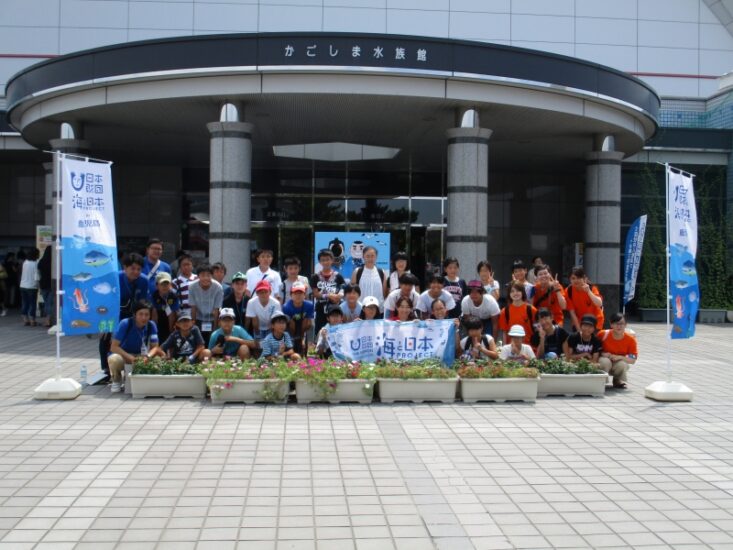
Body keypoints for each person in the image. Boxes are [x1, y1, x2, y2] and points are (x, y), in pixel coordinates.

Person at [100, 252, 150, 374]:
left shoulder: (144, 280)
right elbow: (105, 300)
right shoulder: (115, 278)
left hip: (132, 313)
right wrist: (104, 321)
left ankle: (131, 363)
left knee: (130, 338)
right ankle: (106, 368)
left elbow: (143, 302)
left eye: (139, 269)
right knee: (105, 338)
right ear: (125, 267)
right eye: (132, 268)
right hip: (113, 312)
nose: (136, 272)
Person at [108, 300, 160, 393]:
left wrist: (147, 356)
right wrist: (131, 358)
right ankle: (116, 380)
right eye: (140, 314)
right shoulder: (125, 323)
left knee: (158, 359)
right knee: (114, 359)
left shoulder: (152, 325)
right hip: (124, 355)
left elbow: (155, 347)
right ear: (135, 314)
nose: (144, 317)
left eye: (147, 314)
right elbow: (114, 347)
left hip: (141, 355)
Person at [598, 313, 637, 389]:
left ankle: (617, 380)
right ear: (611, 324)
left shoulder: (630, 340)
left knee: (622, 364)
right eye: (616, 323)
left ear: (626, 325)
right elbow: (594, 349)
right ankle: (601, 381)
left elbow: (632, 359)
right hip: (604, 360)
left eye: (621, 324)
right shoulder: (603, 334)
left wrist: (620, 357)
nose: (619, 326)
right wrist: (602, 353)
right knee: (605, 362)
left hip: (618, 362)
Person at [311, 249, 345, 333]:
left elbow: (343, 289)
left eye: (328, 259)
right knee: (321, 333)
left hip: (335, 310)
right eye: (323, 260)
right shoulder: (315, 277)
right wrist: (328, 295)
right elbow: (315, 294)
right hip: (320, 310)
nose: (326, 262)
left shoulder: (338, 276)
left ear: (332, 260)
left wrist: (339, 296)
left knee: (336, 332)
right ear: (319, 261)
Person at [188, 264, 223, 344]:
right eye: (203, 275)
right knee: (197, 340)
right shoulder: (192, 287)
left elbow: (216, 309)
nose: (206, 278)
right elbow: (193, 308)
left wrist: (215, 328)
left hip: (212, 318)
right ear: (198, 276)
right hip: (198, 317)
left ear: (212, 275)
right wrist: (193, 325)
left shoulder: (218, 287)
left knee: (212, 339)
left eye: (208, 275)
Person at [565, 266, 604, 332]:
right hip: (579, 323)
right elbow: (572, 313)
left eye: (579, 278)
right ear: (570, 280)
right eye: (573, 278)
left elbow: (599, 304)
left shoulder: (592, 288)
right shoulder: (569, 291)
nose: (576, 280)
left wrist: (588, 292)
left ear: (584, 279)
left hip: (595, 322)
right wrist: (579, 330)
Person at [351, 246, 387, 314]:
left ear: (376, 257)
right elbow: (352, 291)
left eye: (372, 256)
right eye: (367, 256)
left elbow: (384, 293)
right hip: (361, 311)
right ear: (363, 257)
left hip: (378, 311)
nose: (370, 258)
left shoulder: (381, 272)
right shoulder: (357, 271)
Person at [282, 281, 315, 356]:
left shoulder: (309, 305)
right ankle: (292, 344)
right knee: (289, 326)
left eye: (300, 293)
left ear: (304, 295)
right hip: (290, 327)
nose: (298, 295)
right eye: (295, 293)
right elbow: (289, 324)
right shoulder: (286, 307)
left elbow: (308, 322)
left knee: (311, 324)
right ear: (291, 295)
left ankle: (309, 346)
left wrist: (302, 338)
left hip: (303, 325)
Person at [150, 272, 180, 344]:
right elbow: (154, 315)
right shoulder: (154, 295)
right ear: (157, 285)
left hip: (171, 319)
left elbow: (172, 315)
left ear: (170, 285)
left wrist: (171, 332)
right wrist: (154, 331)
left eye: (167, 284)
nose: (165, 286)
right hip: (159, 317)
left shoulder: (174, 296)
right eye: (162, 284)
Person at [19, 248, 39, 326]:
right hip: (32, 286)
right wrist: (38, 285)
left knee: (25, 302)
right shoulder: (35, 263)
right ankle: (32, 320)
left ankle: (25, 319)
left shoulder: (25, 262)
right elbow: (36, 276)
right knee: (32, 303)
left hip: (23, 285)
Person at [37, 245, 53, 327]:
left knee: (46, 302)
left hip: (43, 284)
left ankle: (48, 320)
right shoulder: (54, 262)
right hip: (52, 284)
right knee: (50, 303)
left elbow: (39, 273)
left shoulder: (41, 261)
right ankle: (48, 320)